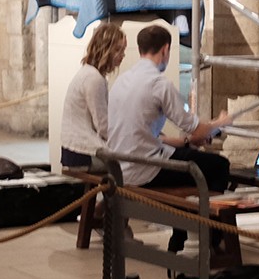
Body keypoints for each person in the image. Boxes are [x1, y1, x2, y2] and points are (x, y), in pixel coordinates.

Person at [105, 24, 231, 192]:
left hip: (120, 168)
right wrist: (220, 123)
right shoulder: (159, 84)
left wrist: (190, 139)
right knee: (220, 165)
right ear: (165, 50)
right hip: (145, 171)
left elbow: (142, 133)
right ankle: (204, 215)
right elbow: (197, 130)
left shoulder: (122, 81)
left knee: (186, 154)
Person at [60, 22, 127, 171]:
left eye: (123, 50)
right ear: (105, 48)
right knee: (127, 168)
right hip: (81, 153)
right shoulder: (94, 78)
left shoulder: (89, 73)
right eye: (118, 49)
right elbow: (103, 126)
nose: (122, 55)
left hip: (74, 149)